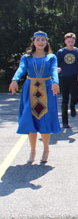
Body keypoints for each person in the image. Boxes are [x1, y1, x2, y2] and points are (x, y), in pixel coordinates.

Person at [9, 31, 61, 163]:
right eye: (38, 40)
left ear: (46, 42)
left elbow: (54, 70)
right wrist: (15, 79)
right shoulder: (26, 57)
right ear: (33, 42)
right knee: (30, 120)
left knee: (45, 119)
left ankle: (46, 149)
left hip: (47, 89)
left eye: (43, 40)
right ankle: (32, 151)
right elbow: (21, 68)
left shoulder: (51, 57)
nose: (40, 42)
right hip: (30, 88)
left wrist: (55, 82)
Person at [56, 32, 78, 128]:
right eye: (69, 41)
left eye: (72, 41)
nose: (70, 43)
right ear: (65, 42)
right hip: (64, 77)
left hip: (75, 77)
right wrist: (57, 68)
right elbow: (56, 63)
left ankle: (73, 105)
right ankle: (65, 122)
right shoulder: (61, 52)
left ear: (74, 41)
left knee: (75, 97)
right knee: (64, 99)